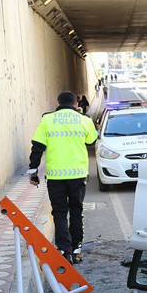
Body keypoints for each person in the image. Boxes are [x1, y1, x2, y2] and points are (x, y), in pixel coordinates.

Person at [28, 91, 97, 264]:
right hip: (78, 175)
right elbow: (91, 141)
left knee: (59, 213)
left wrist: (33, 171)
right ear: (76, 104)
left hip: (56, 176)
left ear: (57, 103)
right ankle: (76, 249)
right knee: (76, 211)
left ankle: (63, 250)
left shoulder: (47, 120)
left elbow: (37, 146)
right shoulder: (85, 120)